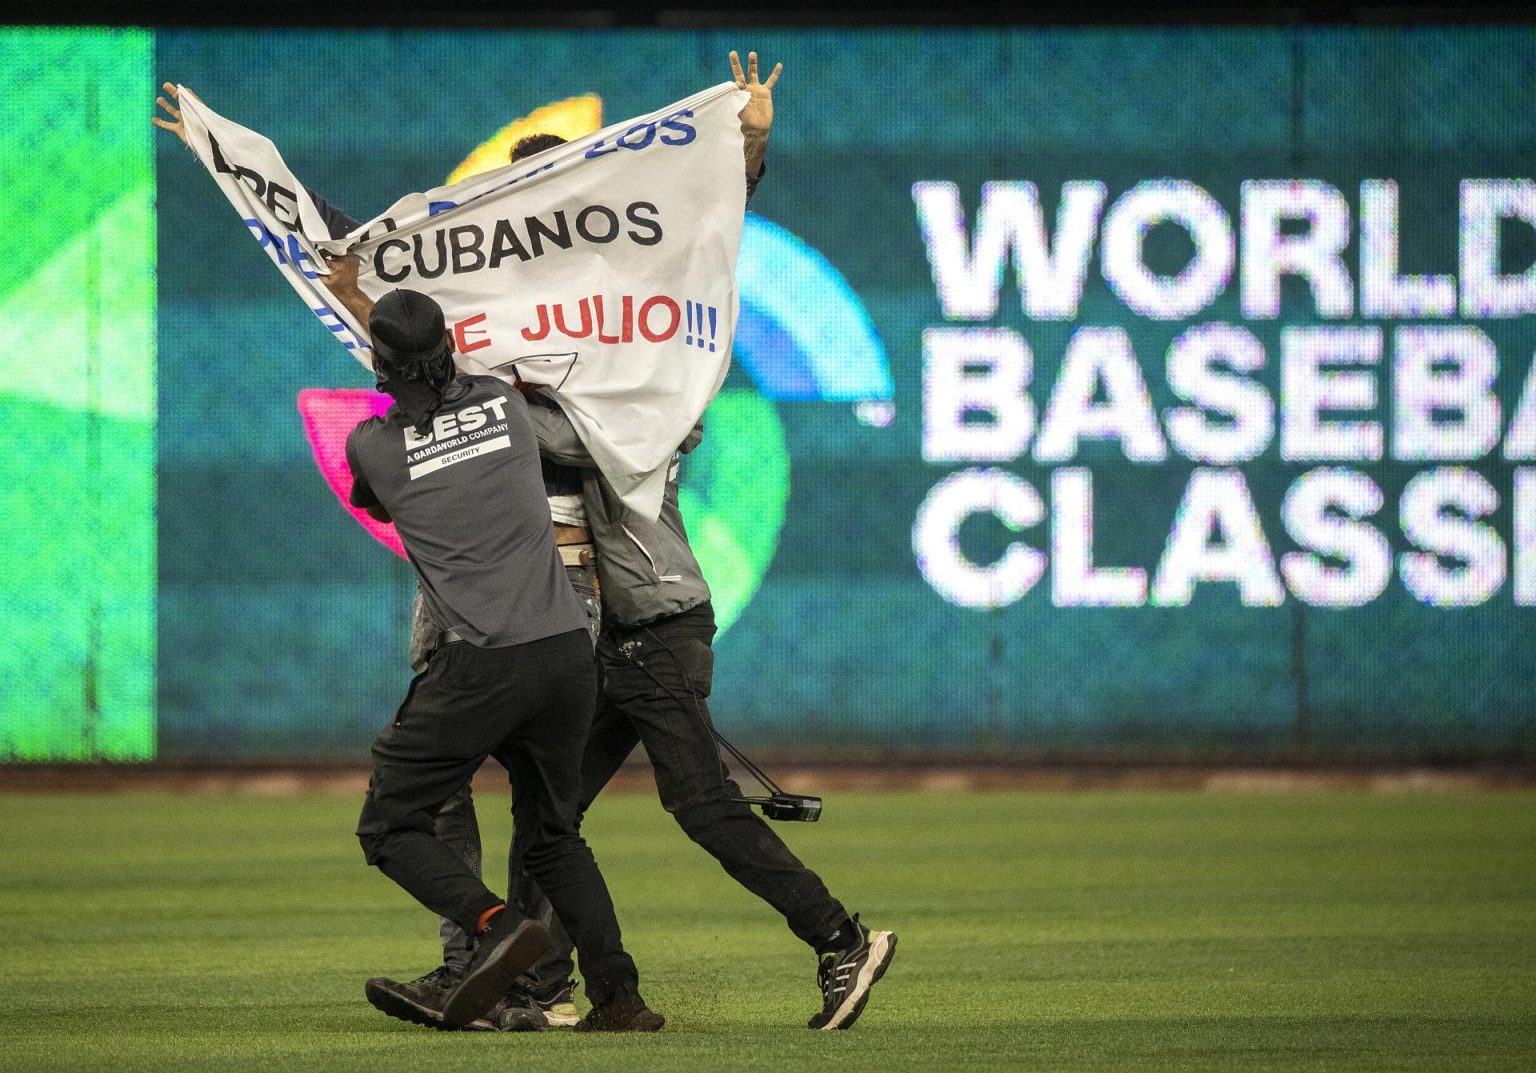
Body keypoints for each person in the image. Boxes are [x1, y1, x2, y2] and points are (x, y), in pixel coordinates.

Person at [344, 284, 662, 1032]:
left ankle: (492, 925)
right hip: (564, 655)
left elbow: (380, 500)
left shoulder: (373, 446)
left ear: (380, 365)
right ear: (451, 348)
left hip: (481, 661)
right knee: (554, 836)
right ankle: (620, 998)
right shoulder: (507, 405)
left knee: (389, 824)